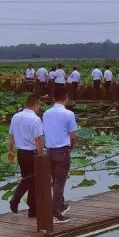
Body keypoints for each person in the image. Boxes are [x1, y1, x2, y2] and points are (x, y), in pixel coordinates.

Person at [42, 90, 78, 223]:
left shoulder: (46, 113)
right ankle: (55, 213)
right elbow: (73, 136)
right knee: (59, 183)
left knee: (55, 181)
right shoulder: (68, 114)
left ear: (53, 99)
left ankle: (61, 204)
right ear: (66, 98)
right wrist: (71, 147)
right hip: (62, 151)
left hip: (50, 151)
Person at [7, 94, 44, 216]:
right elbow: (38, 140)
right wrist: (41, 155)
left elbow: (11, 136)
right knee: (30, 180)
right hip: (32, 153)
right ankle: (17, 201)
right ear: (35, 104)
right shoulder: (35, 119)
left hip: (21, 153)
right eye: (39, 104)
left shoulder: (16, 117)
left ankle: (32, 209)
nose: (40, 107)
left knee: (30, 180)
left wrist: (10, 151)